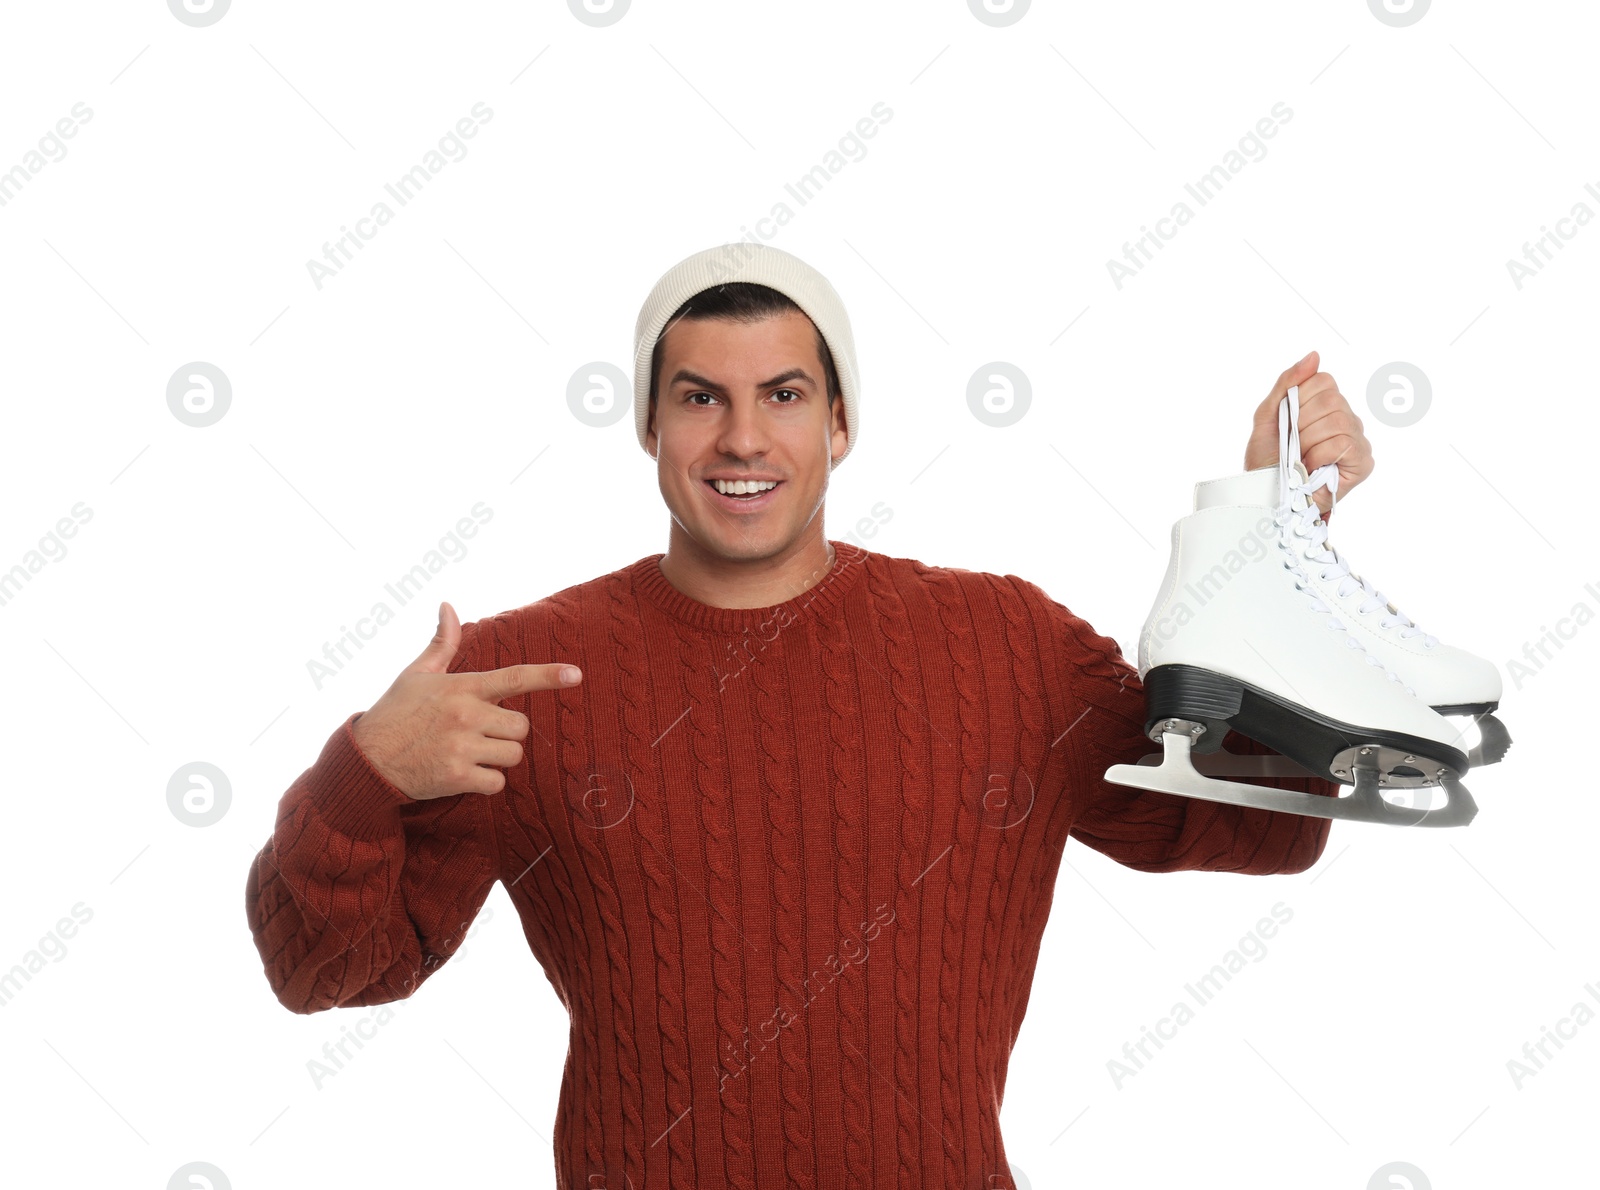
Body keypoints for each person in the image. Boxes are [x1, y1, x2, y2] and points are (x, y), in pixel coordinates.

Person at [244, 242, 1372, 1189]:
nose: (743, 438)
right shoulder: (523, 675)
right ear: (649, 426)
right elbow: (321, 971)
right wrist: (365, 775)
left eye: (782, 394)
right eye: (700, 397)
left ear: (838, 423)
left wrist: (1273, 542)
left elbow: (1265, 821)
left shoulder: (1008, 647)